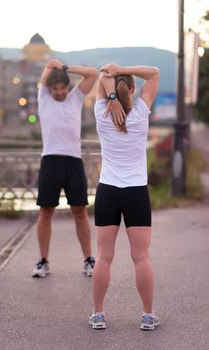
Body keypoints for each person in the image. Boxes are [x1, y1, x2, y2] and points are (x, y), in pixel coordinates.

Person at [88, 63, 160, 330]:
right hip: (136, 192)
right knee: (141, 256)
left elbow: (102, 75)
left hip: (108, 189)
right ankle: (148, 315)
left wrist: (111, 97)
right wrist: (124, 68)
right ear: (132, 89)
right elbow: (154, 73)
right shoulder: (141, 112)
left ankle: (98, 314)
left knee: (104, 256)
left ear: (114, 91)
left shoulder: (101, 112)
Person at [32, 59, 97, 278]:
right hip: (50, 161)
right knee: (45, 212)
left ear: (68, 87)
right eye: (56, 89)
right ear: (50, 88)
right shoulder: (44, 98)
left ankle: (89, 260)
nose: (59, 92)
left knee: (80, 212)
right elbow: (48, 66)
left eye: (63, 88)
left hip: (73, 162)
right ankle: (43, 261)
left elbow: (92, 74)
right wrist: (53, 67)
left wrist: (67, 69)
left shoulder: (76, 98)